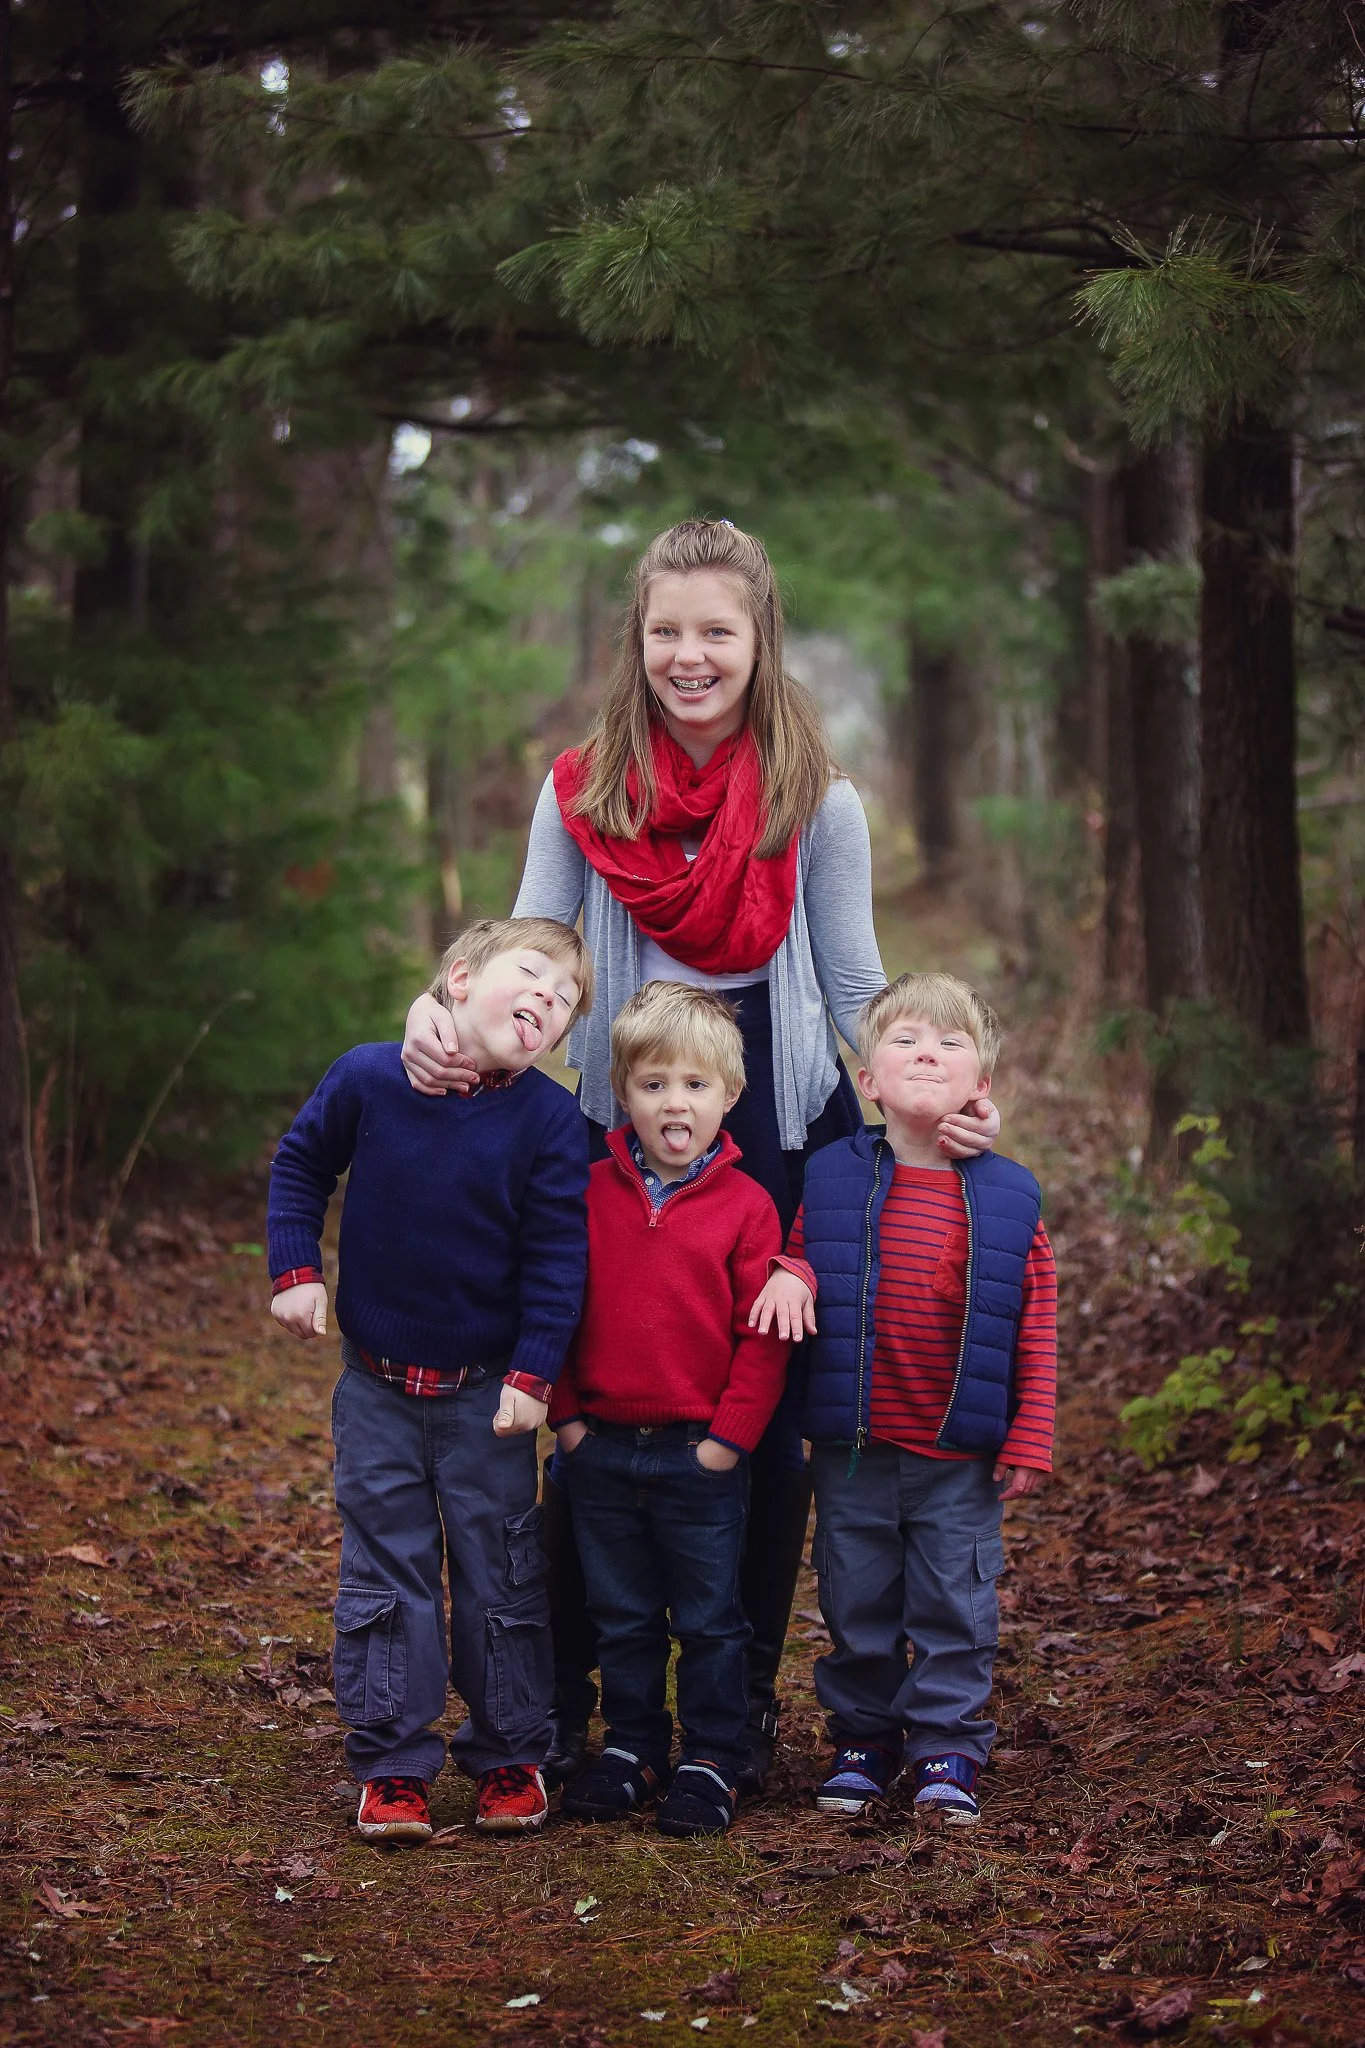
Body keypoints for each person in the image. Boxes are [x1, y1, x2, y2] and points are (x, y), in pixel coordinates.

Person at [399, 518, 1001, 1792]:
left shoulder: (815, 800)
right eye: (666, 630)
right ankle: (575, 1707)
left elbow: (851, 981)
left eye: (715, 631)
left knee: (764, 1415)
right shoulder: (584, 789)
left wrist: (931, 1091)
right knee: (601, 1394)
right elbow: (534, 943)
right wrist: (436, 1012)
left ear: (757, 638)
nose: (689, 655)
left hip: (779, 1120)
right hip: (626, 1118)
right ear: (639, 638)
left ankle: (732, 1717)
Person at [266, 917, 592, 1842]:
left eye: (565, 1002)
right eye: (531, 975)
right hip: (373, 1387)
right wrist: (296, 1270)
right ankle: (394, 1763)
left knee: (500, 1571)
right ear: (459, 980)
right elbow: (299, 1165)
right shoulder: (369, 1077)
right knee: (388, 1569)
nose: (548, 1001)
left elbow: (556, 1259)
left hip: (485, 1395)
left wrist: (533, 1376)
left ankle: (510, 1751)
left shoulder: (548, 1119)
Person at [751, 972, 1056, 1825]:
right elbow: (803, 1255)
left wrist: (1029, 1430)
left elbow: (1033, 1314)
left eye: (951, 1044)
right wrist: (788, 1272)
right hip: (852, 1445)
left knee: (955, 1601)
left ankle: (946, 1744)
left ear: (980, 1087)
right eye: (906, 1042)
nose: (928, 1052)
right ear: (869, 1083)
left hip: (957, 1450)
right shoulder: (833, 1175)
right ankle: (863, 1737)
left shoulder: (1007, 1194)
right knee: (856, 1600)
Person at [550, 982, 816, 1837]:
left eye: (695, 1085)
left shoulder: (746, 1207)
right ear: (620, 1095)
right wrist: (568, 1422)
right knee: (621, 1614)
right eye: (654, 1083)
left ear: (729, 1097)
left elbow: (763, 1338)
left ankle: (712, 1752)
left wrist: (728, 1443)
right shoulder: (588, 1195)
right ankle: (632, 1745)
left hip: (699, 1453)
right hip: (600, 1448)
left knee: (708, 1616)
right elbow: (550, 1309)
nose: (675, 1102)